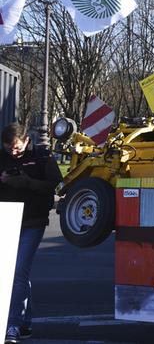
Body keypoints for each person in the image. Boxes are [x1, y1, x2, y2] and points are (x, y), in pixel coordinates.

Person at [0, 123, 62, 344]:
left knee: (17, 273)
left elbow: (53, 185)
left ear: (26, 140)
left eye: (16, 148)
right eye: (9, 149)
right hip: (6, 219)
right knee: (17, 274)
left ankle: (12, 326)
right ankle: (25, 322)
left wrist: (27, 182)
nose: (13, 153)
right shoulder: (3, 156)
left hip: (33, 221)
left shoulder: (42, 156)